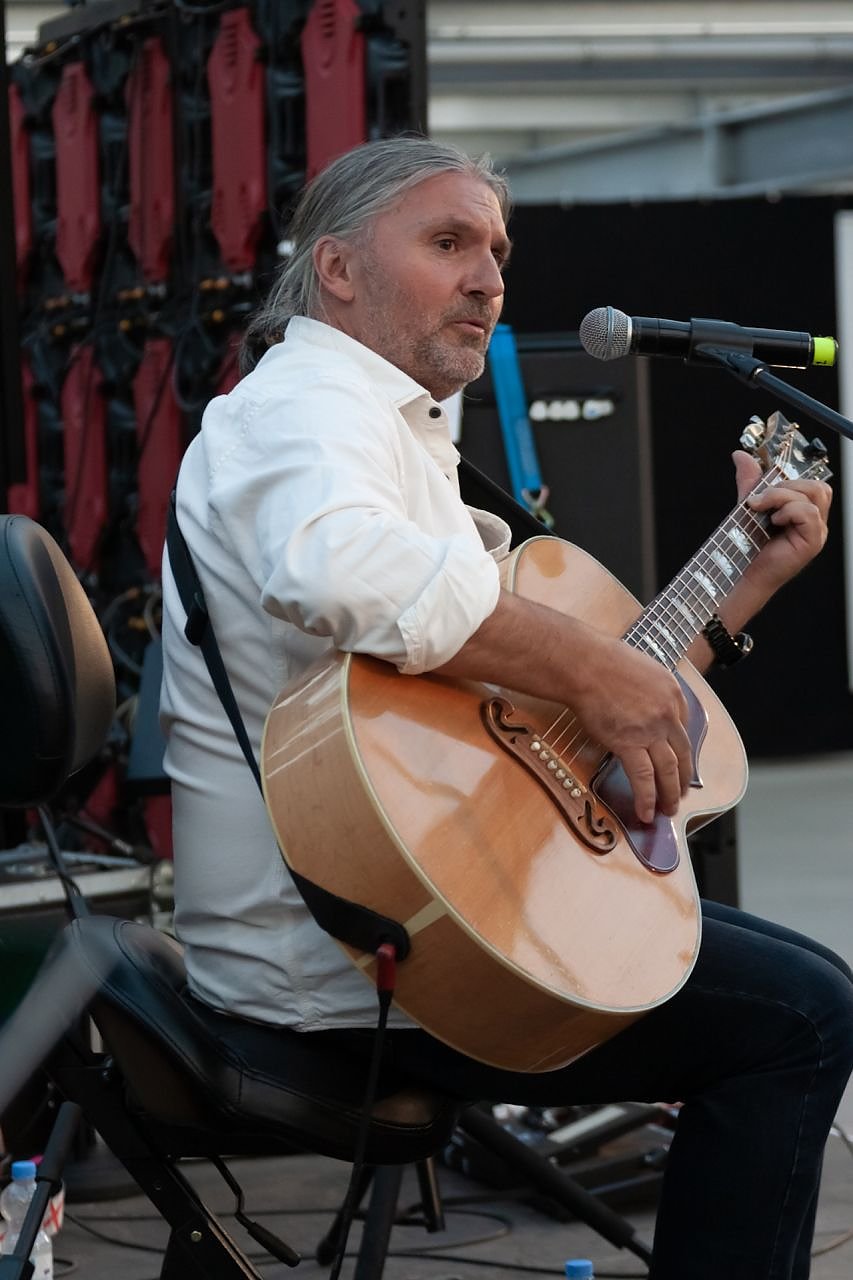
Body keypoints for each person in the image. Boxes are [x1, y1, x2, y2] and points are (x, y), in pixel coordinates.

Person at [159, 135, 853, 1279]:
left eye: (497, 251)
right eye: (448, 243)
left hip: (404, 911)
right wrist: (590, 668)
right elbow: (342, 572)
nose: (487, 278)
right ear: (337, 268)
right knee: (804, 1013)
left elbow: (551, 701)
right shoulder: (303, 406)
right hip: (343, 955)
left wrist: (742, 585)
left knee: (798, 980)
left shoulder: (392, 426)